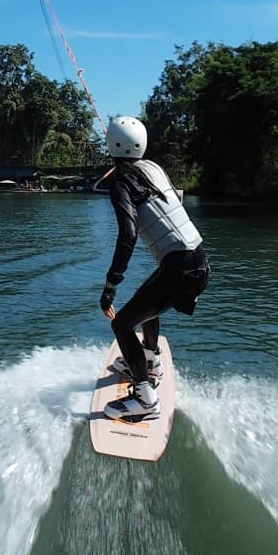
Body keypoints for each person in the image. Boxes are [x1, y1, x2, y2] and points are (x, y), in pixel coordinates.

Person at [98, 115, 210, 420]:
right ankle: (150, 361)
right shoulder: (154, 169)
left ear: (111, 146)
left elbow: (128, 234)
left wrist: (110, 285)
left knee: (121, 323)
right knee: (145, 304)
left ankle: (146, 400)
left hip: (179, 269)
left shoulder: (122, 181)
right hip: (198, 260)